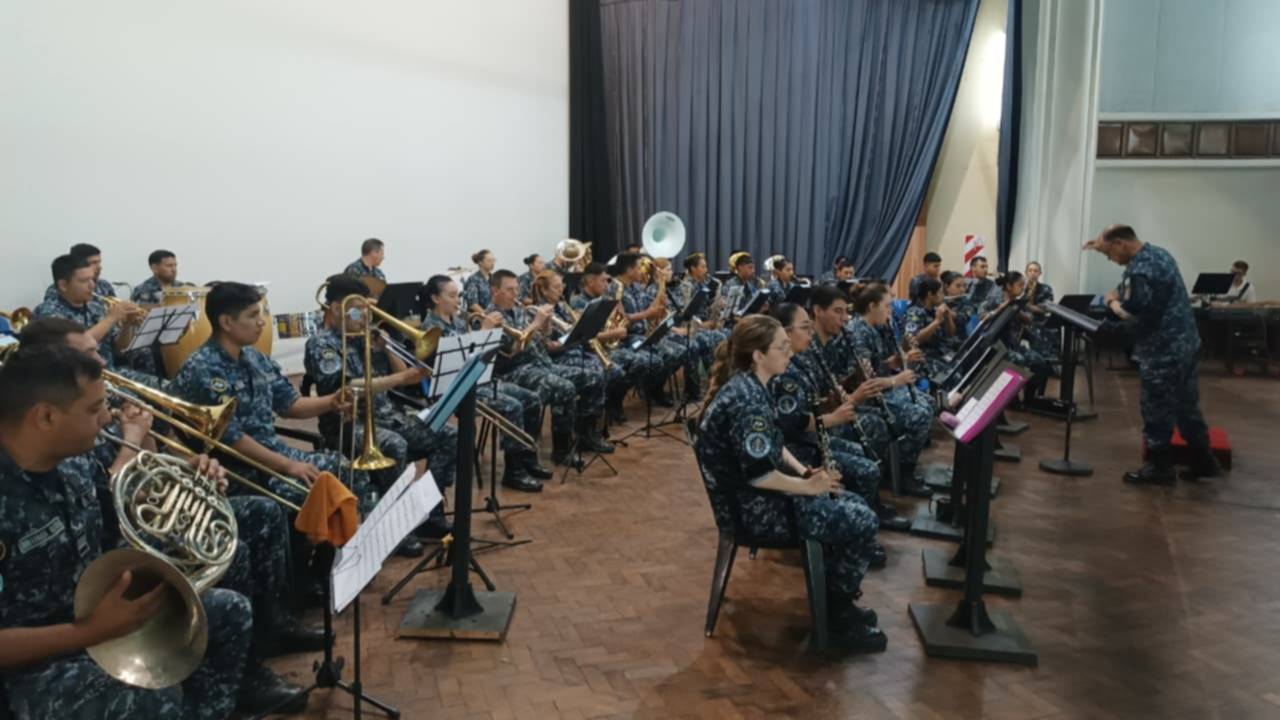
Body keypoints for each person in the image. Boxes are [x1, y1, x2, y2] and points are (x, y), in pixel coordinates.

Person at [16, 318, 319, 702]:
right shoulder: (59, 434)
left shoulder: (79, 424)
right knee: (233, 550)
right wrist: (133, 441)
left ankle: (255, 654)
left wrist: (188, 470)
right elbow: (115, 493)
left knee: (238, 549)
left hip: (115, 557)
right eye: (89, 355)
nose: (103, 364)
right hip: (65, 625)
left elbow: (135, 486)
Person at [694, 315, 886, 653]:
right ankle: (837, 619)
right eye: (781, 348)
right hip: (753, 511)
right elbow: (759, 474)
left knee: (852, 501)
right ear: (758, 355)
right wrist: (808, 488)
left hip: (759, 498)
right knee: (862, 519)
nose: (789, 353)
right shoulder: (747, 399)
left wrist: (804, 472)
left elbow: (774, 442)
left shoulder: (753, 384)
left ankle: (835, 605)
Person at [169, 282, 377, 511]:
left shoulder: (255, 357)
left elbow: (290, 404)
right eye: (253, 315)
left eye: (262, 313)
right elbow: (233, 440)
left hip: (274, 454)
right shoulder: (202, 368)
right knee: (317, 487)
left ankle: (350, 542)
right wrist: (289, 466)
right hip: (236, 469)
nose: (262, 321)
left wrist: (331, 401)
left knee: (346, 469)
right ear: (226, 322)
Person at [305, 275, 457, 538]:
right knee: (395, 445)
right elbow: (347, 386)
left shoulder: (366, 337)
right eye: (357, 310)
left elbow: (400, 380)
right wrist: (399, 378)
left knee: (448, 435)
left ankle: (431, 513)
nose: (363, 316)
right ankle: (395, 528)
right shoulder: (322, 343)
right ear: (336, 308)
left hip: (388, 417)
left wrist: (388, 347)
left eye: (367, 310)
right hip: (349, 425)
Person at [1084, 224, 1220, 484]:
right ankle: (1204, 461)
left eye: (1108, 254)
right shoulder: (1160, 255)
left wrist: (1111, 302)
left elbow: (1135, 312)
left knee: (1156, 406)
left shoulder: (1140, 268)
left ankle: (1160, 467)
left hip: (1163, 348)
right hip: (1186, 343)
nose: (1111, 260)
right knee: (1186, 405)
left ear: (1120, 244)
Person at [769, 303, 908, 534]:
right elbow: (793, 424)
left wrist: (832, 401)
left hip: (812, 437)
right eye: (805, 328)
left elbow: (812, 405)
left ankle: (867, 512)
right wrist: (837, 414)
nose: (810, 333)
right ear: (785, 332)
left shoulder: (800, 361)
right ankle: (855, 527)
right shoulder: (786, 372)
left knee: (865, 453)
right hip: (799, 447)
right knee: (865, 468)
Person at [420, 275, 550, 491]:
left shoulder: (460, 321)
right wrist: (484, 332)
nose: (457, 301)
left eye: (458, 295)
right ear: (435, 298)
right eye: (451, 296)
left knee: (531, 399)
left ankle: (527, 458)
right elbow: (457, 362)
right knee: (512, 406)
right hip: (454, 390)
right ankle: (513, 471)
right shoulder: (431, 328)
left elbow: (486, 355)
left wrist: (491, 335)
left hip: (478, 383)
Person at [488, 270, 606, 470]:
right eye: (509, 290)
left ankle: (585, 435)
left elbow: (541, 341)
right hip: (514, 371)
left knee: (592, 377)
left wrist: (546, 326)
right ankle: (561, 450)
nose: (515, 294)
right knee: (564, 388)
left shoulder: (519, 311)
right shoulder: (491, 318)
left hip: (541, 364)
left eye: (516, 289)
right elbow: (512, 352)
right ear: (494, 290)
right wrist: (535, 324)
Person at [841, 284, 936, 494]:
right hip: (868, 396)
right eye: (887, 306)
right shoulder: (857, 331)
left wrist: (894, 362)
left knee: (928, 402)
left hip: (882, 389)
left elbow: (877, 367)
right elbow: (865, 382)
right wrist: (896, 380)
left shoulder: (875, 327)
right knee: (918, 415)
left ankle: (902, 464)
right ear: (872, 306)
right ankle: (901, 472)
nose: (891, 311)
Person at [527, 271, 615, 456]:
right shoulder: (536, 311)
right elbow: (543, 348)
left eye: (562, 287)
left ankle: (588, 430)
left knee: (599, 371)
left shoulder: (561, 306)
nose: (561, 291)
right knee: (593, 375)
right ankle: (581, 435)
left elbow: (573, 332)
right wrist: (554, 338)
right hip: (555, 358)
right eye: (557, 288)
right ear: (543, 290)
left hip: (570, 351)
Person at [572, 262, 664, 423]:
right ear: (590, 281)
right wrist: (614, 333)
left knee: (643, 362)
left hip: (610, 347)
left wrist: (622, 319)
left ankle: (616, 400)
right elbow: (584, 335)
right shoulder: (578, 303)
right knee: (619, 371)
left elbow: (621, 323)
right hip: (590, 352)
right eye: (603, 281)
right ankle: (607, 404)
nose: (607, 285)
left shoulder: (604, 299)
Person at [33, 254, 146, 382]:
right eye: (83, 281)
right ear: (63, 285)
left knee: (166, 389)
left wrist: (127, 326)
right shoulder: (48, 312)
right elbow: (73, 348)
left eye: (92, 279)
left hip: (112, 375)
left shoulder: (96, 307)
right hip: (79, 382)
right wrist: (111, 319)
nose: (92, 285)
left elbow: (120, 351)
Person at [978, 272, 1050, 402]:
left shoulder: (1019, 302)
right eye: (1020, 285)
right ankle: (1011, 399)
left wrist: (1020, 313)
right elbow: (982, 317)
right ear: (1009, 286)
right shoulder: (993, 300)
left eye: (1023, 285)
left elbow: (1029, 320)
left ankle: (1030, 399)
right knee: (1018, 360)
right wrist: (1002, 307)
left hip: (1013, 345)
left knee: (1039, 362)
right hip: (996, 346)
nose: (1022, 288)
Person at [903, 277, 958, 380]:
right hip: (924, 358)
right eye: (940, 293)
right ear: (930, 295)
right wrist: (936, 322)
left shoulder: (935, 310)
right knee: (954, 377)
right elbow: (913, 339)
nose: (943, 296)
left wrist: (948, 317)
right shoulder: (915, 312)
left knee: (963, 368)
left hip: (941, 353)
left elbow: (951, 333)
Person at [42, 243, 116, 303]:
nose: (99, 267)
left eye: (99, 262)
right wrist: (110, 318)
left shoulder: (104, 285)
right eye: (94, 263)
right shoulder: (55, 291)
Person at [131, 250, 197, 305]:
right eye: (169, 266)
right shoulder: (142, 290)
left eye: (175, 265)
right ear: (154, 268)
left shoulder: (182, 287)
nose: (174, 270)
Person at [1022, 261, 1059, 359]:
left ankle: (1049, 358)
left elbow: (1046, 309)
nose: (1032, 273)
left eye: (1035, 271)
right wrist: (1030, 294)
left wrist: (1030, 306)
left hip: (1040, 320)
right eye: (1030, 270)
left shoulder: (1046, 288)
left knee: (1052, 330)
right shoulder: (1021, 288)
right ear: (1026, 272)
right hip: (1023, 321)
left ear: (1039, 273)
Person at [463, 249, 497, 316]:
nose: (493, 263)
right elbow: (472, 304)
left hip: (494, 315)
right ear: (480, 262)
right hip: (479, 317)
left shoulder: (494, 278)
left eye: (494, 260)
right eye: (489, 260)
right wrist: (487, 315)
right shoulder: (473, 280)